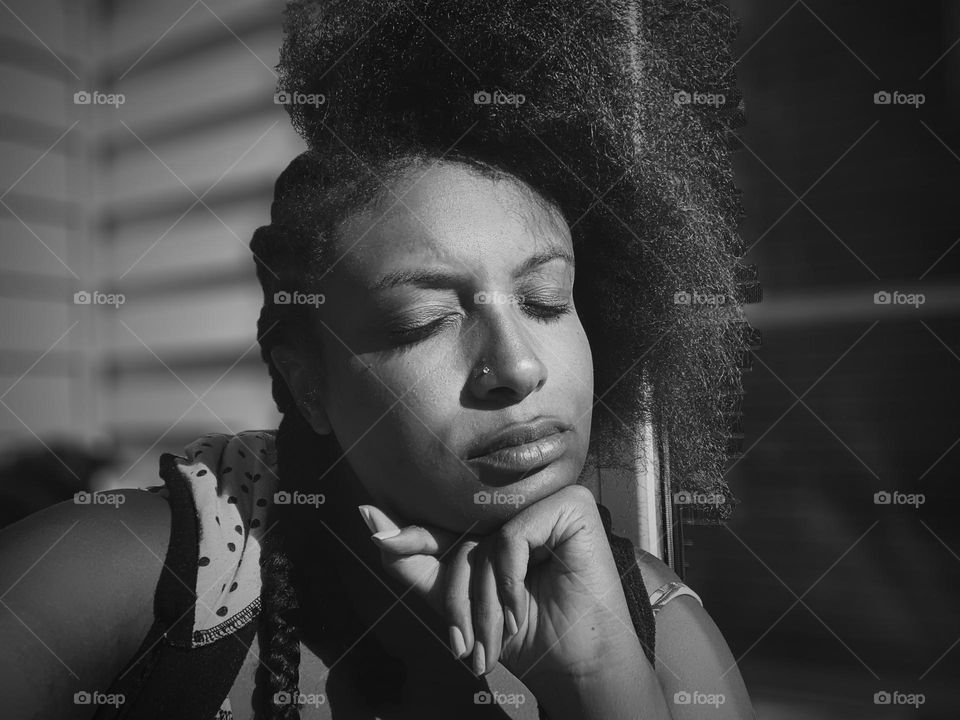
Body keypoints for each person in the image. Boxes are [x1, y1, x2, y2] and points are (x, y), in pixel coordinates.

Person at [0, 1, 758, 717]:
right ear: (309, 383)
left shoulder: (661, 638)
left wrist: (602, 683)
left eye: (546, 300)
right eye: (422, 321)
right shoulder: (109, 581)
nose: (518, 367)